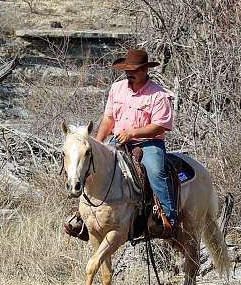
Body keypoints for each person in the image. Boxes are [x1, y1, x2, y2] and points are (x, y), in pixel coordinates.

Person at [64, 48, 178, 239]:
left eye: (132, 71)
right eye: (126, 70)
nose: (128, 74)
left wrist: (133, 132)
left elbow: (161, 126)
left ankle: (167, 218)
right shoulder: (117, 88)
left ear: (144, 70)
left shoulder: (158, 95)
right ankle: (84, 215)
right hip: (118, 141)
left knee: (156, 170)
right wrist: (97, 143)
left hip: (148, 144)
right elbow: (108, 118)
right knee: (93, 166)